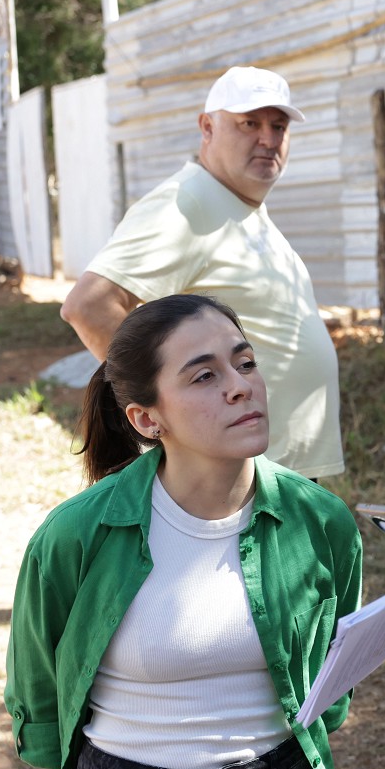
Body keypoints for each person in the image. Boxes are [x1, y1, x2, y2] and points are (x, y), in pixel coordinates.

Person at [4, 294, 385, 769]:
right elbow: (38, 696)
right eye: (204, 376)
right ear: (146, 417)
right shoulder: (75, 536)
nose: (240, 387)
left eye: (245, 363)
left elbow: (330, 683)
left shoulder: (321, 521)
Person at [60, 65, 343, 481]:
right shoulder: (186, 203)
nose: (268, 139)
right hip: (236, 477)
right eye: (249, 123)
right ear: (207, 127)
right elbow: (89, 306)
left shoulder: (240, 207)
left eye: (278, 126)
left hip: (277, 470)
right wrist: (167, 416)